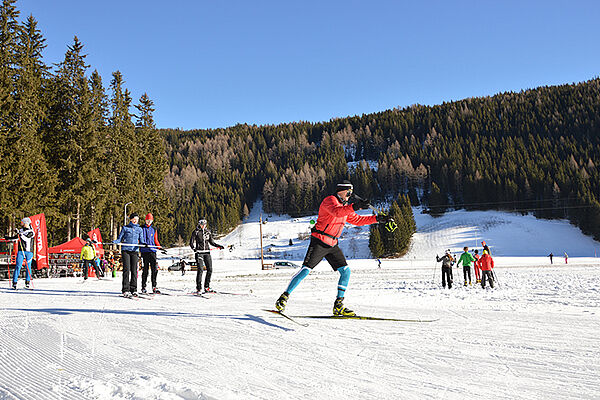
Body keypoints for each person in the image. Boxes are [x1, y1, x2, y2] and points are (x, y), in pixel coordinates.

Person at [274, 180, 390, 316]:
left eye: (351, 194)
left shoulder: (345, 206)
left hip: (333, 244)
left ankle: (338, 306)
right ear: (341, 191)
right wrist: (356, 206)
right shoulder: (330, 201)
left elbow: (357, 220)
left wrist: (378, 219)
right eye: (348, 193)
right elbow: (337, 212)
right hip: (319, 242)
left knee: (346, 272)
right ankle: (283, 297)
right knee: (306, 270)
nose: (349, 196)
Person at [189, 219, 224, 293]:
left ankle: (207, 287)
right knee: (200, 270)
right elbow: (191, 243)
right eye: (202, 224)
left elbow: (211, 242)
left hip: (207, 253)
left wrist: (219, 246)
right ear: (199, 224)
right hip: (199, 253)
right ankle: (198, 288)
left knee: (210, 269)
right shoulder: (196, 232)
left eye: (204, 224)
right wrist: (194, 249)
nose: (203, 226)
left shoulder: (208, 232)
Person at [114, 213, 143, 298]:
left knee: (134, 270)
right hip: (125, 250)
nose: (135, 220)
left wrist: (144, 244)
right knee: (126, 269)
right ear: (130, 219)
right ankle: (125, 289)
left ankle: (133, 289)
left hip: (134, 251)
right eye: (134, 219)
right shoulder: (125, 228)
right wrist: (116, 241)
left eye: (137, 219)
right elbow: (120, 238)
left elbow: (141, 240)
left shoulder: (139, 229)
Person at [3, 217, 35, 289]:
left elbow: (26, 239)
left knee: (28, 267)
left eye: (22, 223)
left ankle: (27, 282)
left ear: (26, 223)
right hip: (21, 251)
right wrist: (8, 238)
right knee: (18, 266)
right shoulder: (21, 230)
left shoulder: (31, 231)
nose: (22, 224)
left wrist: (20, 234)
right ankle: (14, 283)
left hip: (29, 252)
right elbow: (16, 238)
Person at [140, 213, 163, 294]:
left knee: (154, 269)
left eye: (150, 220)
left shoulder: (154, 228)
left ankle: (154, 286)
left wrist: (159, 247)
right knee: (145, 270)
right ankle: (143, 287)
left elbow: (155, 240)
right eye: (147, 220)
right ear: (145, 220)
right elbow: (139, 239)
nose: (148, 222)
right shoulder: (141, 228)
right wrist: (142, 244)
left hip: (152, 251)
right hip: (144, 251)